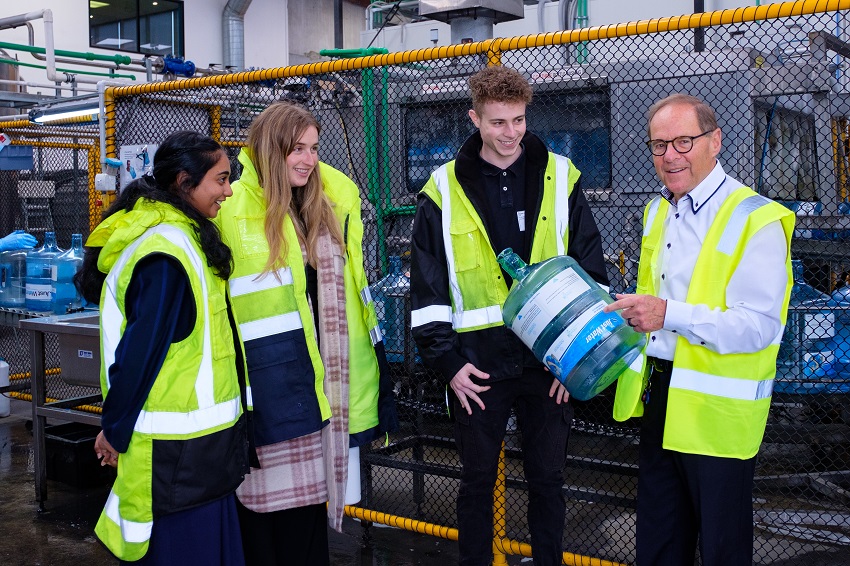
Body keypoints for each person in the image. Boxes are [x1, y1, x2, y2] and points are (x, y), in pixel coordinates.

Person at [410, 66, 609, 566]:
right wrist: (448, 363)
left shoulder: (561, 176)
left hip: (549, 360)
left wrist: (578, 357)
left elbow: (592, 270)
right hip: (477, 365)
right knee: (476, 484)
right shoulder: (442, 188)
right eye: (498, 122)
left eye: (519, 120)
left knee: (549, 481)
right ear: (474, 117)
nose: (511, 133)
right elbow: (427, 286)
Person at [604, 93, 794, 566]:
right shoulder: (658, 212)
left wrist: (668, 313)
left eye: (684, 141)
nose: (670, 156)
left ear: (716, 142)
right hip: (662, 396)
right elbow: (653, 303)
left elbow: (758, 328)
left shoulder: (757, 219)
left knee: (723, 550)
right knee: (658, 544)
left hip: (717, 414)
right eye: (659, 145)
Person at [215, 101, 397, 566]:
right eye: (297, 148)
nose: (308, 159)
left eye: (314, 148)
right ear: (270, 149)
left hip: (319, 391)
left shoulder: (326, 205)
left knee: (307, 525)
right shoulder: (232, 211)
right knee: (261, 523)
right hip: (263, 390)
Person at [76, 131, 249, 565]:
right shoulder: (165, 254)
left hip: (197, 457)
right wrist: (113, 432)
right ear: (184, 183)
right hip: (177, 461)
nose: (228, 191)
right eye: (221, 180)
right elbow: (140, 357)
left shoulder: (182, 240)